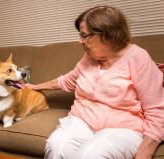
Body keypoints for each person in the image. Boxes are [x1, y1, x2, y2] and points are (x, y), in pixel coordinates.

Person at [26, 6, 164, 159]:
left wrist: (143, 155)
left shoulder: (139, 58)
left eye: (84, 36)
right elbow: (68, 81)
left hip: (123, 129)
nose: (80, 41)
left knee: (91, 155)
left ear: (106, 35)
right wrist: (35, 87)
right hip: (81, 121)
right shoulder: (89, 57)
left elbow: (157, 113)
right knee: (56, 148)